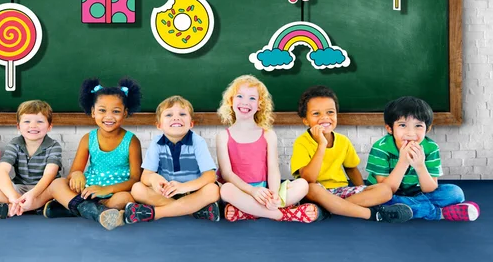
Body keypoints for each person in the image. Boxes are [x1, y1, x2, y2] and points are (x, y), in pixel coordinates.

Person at [290, 86, 412, 223]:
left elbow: (351, 168)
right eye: (316, 114)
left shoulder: (343, 141)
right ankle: (371, 214)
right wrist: (321, 145)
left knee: (385, 190)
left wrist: (363, 190)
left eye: (330, 112)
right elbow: (308, 178)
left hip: (341, 191)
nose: (325, 117)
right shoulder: (301, 142)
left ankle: (332, 208)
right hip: (317, 193)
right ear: (305, 120)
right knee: (311, 188)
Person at [217, 75, 322, 222]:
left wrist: (273, 195)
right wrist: (253, 191)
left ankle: (248, 212)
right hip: (240, 191)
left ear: (260, 105)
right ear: (231, 101)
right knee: (225, 190)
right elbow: (227, 173)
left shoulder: (268, 135)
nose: (245, 102)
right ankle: (282, 215)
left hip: (265, 191)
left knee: (303, 185)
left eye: (252, 98)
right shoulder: (223, 136)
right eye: (240, 96)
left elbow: (273, 169)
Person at [43, 77, 143, 230]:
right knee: (58, 183)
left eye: (116, 111)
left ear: (125, 113)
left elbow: (135, 179)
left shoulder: (132, 141)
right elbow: (73, 173)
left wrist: (106, 190)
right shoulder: (88, 139)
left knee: (125, 199)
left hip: (116, 191)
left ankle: (77, 209)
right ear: (93, 112)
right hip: (88, 191)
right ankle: (96, 212)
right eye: (102, 110)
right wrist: (77, 175)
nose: (109, 117)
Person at [366, 96, 479, 221]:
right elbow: (386, 189)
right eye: (402, 125)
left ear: (428, 129)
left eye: (418, 126)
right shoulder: (381, 148)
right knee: (375, 200)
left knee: (455, 193)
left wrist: (420, 166)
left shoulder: (431, 148)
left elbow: (430, 188)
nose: (411, 133)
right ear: (390, 128)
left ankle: (404, 209)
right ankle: (437, 213)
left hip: (416, 193)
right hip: (386, 195)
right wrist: (403, 162)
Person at [125, 95, 220, 223]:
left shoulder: (198, 142)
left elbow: (210, 176)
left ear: (191, 124)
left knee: (213, 190)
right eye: (169, 115)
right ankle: (194, 211)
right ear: (159, 125)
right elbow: (145, 176)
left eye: (182, 114)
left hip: (192, 192)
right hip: (166, 193)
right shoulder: (156, 143)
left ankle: (156, 213)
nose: (176, 117)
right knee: (137, 189)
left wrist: (184, 187)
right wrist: (154, 179)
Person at [0, 100, 62, 220]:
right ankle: (26, 207)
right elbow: (2, 171)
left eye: (39, 121)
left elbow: (49, 175)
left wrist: (33, 194)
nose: (33, 126)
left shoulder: (53, 146)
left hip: (43, 189)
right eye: (27, 121)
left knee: (60, 185)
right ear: (18, 126)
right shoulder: (15, 144)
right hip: (20, 189)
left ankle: (11, 209)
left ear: (50, 126)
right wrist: (13, 196)